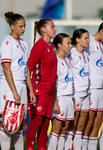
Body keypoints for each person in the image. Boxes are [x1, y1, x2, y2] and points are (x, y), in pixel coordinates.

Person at [0, 12, 36, 150]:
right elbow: (7, 69)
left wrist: (30, 90)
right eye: (20, 26)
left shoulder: (24, 43)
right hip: (9, 88)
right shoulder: (7, 43)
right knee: (8, 124)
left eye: (25, 26)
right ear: (12, 26)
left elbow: (25, 68)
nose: (23, 29)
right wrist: (14, 92)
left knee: (20, 125)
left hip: (21, 87)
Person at [82, 17, 103, 150]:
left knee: (97, 123)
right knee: (88, 122)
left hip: (100, 88)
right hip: (91, 89)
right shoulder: (89, 42)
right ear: (101, 31)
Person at [26, 19, 57, 150]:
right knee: (35, 125)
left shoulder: (52, 46)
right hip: (39, 92)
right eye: (52, 27)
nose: (55, 29)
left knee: (45, 128)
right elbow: (28, 69)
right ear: (43, 29)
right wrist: (32, 91)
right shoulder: (39, 46)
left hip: (49, 93)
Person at [47, 33, 74, 150]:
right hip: (60, 98)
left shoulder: (67, 60)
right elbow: (53, 83)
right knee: (56, 130)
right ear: (59, 45)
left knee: (64, 130)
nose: (70, 46)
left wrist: (72, 99)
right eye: (68, 43)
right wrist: (55, 102)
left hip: (69, 98)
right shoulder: (55, 60)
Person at [66, 28, 90, 150]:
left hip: (86, 93)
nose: (88, 41)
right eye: (86, 38)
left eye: (88, 38)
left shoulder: (86, 54)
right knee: (73, 125)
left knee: (81, 126)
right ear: (77, 39)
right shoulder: (71, 54)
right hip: (76, 94)